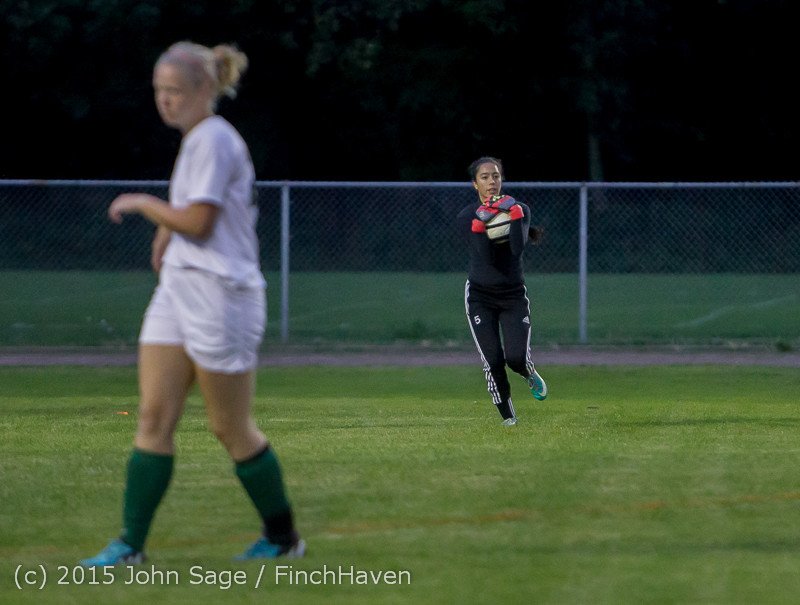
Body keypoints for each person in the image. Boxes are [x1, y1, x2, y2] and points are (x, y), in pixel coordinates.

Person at [81, 41, 304, 566]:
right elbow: (193, 217)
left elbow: (200, 224)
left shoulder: (215, 140)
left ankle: (283, 537)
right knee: (154, 417)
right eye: (158, 91)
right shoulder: (195, 140)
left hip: (221, 296)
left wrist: (145, 206)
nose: (164, 100)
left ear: (205, 89)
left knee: (229, 427)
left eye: (174, 91)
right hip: (178, 292)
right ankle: (130, 544)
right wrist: (166, 235)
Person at [456, 157, 547, 426]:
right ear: (475, 184)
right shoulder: (466, 216)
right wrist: (479, 224)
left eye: (495, 176)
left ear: (501, 179)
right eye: (484, 177)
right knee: (493, 359)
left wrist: (515, 215)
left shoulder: (520, 209)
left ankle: (527, 371)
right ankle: (509, 418)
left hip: (512, 295)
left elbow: (517, 249)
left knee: (515, 357)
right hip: (480, 296)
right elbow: (486, 256)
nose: (491, 181)